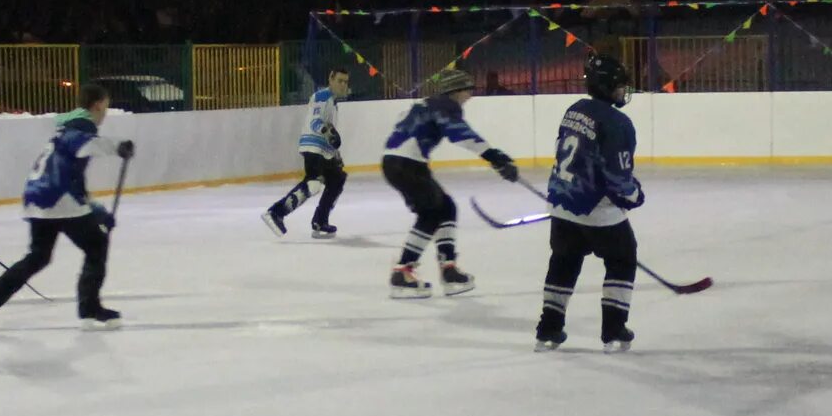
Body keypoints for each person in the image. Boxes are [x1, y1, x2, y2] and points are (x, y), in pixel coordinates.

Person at [0, 84, 134, 326]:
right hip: (59, 200)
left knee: (38, 256)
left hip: (38, 198)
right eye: (106, 106)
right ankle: (89, 308)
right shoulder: (81, 127)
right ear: (98, 104)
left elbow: (73, 180)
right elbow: (81, 145)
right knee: (96, 245)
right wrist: (117, 146)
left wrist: (97, 212)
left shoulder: (64, 128)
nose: (105, 113)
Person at [535, 51, 646, 351]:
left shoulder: (574, 109)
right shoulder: (619, 122)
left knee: (563, 262)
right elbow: (618, 176)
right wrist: (634, 195)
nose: (624, 90)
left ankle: (548, 331)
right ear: (609, 85)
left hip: (561, 204)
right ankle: (613, 330)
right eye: (621, 84)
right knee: (622, 259)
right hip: (598, 210)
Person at [380, 68, 519, 298]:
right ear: (456, 90)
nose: (470, 96)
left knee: (446, 207)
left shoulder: (427, 104)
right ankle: (402, 271)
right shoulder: (445, 105)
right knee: (431, 214)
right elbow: (459, 132)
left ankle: (449, 268)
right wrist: (496, 157)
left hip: (401, 163)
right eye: (468, 90)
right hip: (406, 165)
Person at [262, 68, 351, 237]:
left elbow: (329, 132)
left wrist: (336, 155)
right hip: (313, 147)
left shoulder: (332, 101)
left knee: (337, 178)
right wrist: (326, 131)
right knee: (313, 183)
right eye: (340, 80)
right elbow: (316, 120)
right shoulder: (322, 96)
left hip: (323, 151)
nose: (343, 85)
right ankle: (276, 213)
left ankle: (320, 221)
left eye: (345, 82)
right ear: (330, 78)